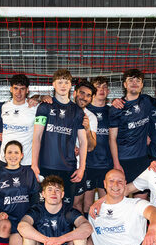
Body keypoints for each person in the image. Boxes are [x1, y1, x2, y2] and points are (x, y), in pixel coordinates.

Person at [31, 69, 87, 204]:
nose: (63, 85)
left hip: (68, 169)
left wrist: (82, 168)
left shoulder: (78, 111)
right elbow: (37, 137)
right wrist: (34, 164)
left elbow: (83, 141)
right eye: (60, 82)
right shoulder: (44, 107)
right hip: (46, 166)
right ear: (53, 85)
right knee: (44, 207)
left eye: (66, 82)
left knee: (66, 210)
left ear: (70, 86)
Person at [78, 76, 113, 211]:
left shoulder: (112, 111)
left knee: (106, 204)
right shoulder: (84, 110)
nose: (102, 90)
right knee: (87, 205)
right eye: (98, 86)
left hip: (107, 164)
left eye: (105, 87)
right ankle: (88, 232)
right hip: (88, 164)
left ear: (108, 91)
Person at [0, 73, 38, 167]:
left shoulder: (35, 108)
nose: (18, 92)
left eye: (22, 89)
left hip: (26, 161)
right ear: (11, 89)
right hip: (4, 159)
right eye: (16, 88)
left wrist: (41, 97)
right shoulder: (4, 107)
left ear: (27, 90)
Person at [71, 79, 98, 209]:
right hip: (59, 164)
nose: (84, 97)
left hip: (78, 168)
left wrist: (87, 129)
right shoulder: (63, 109)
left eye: (88, 95)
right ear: (75, 93)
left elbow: (91, 147)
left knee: (77, 204)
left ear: (91, 98)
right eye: (82, 93)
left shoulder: (91, 117)